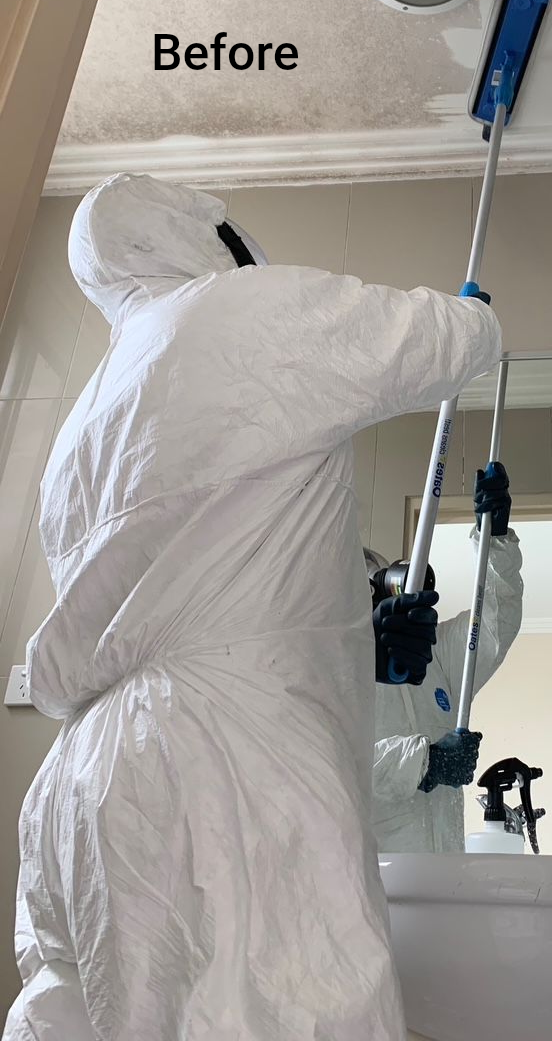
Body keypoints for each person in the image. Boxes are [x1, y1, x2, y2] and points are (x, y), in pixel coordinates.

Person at [3, 173, 501, 1041]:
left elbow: (204, 567)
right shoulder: (236, 312)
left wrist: (358, 637)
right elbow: (450, 341)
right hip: (222, 763)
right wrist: (476, 315)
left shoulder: (81, 423)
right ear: (195, 236)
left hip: (80, 783)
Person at [371, 462, 523, 853]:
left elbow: (493, 623)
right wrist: (428, 762)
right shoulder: (331, 671)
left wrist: (495, 539)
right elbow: (333, 768)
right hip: (380, 887)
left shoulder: (434, 655)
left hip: (444, 878)